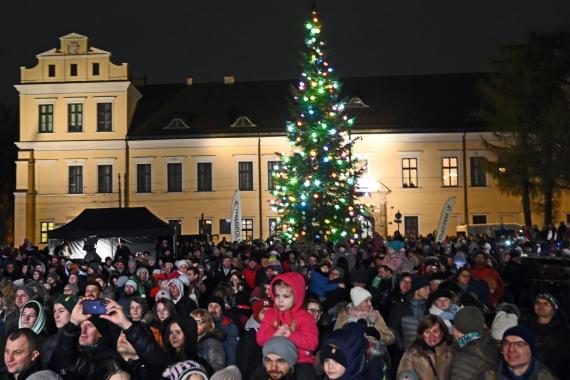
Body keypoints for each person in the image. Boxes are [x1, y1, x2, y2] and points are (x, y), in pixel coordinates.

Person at [256, 272, 318, 378]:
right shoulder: (270, 314)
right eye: (277, 296)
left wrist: (290, 335)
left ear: (297, 296)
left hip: (300, 361)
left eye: (286, 296)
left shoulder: (306, 318)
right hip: (274, 361)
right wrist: (275, 334)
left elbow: (312, 343)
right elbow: (260, 339)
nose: (280, 300)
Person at [50, 298, 124, 380]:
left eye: (89, 326)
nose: (83, 330)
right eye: (81, 325)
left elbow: (69, 363)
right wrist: (74, 321)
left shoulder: (108, 361)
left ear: (100, 334)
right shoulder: (68, 347)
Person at [100, 298, 171, 380]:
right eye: (122, 333)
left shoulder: (150, 373)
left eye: (138, 307)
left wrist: (126, 324)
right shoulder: (106, 364)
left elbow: (156, 359)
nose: (123, 336)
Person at [480, 325, 557, 380]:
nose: (511, 349)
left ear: (531, 350)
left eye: (519, 344)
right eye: (506, 343)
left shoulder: (545, 377)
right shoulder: (488, 375)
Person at [521, 293, 570, 379]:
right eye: (538, 303)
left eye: (546, 304)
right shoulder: (525, 326)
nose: (540, 306)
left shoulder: (563, 331)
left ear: (553, 308)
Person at [448, 306, 499, 380]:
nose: (452, 332)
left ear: (459, 330)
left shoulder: (463, 359)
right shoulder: (491, 346)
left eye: (454, 327)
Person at [397, 315, 453, 380]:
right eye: (427, 332)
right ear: (421, 335)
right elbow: (403, 374)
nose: (431, 336)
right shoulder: (412, 354)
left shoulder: (452, 349)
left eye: (435, 332)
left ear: (442, 332)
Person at [389, 276, 431, 351]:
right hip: (405, 353)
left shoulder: (428, 308)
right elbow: (393, 329)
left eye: (429, 288)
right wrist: (402, 347)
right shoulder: (401, 307)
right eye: (425, 288)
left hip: (425, 352)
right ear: (417, 290)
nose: (428, 291)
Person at [236, 298, 273, 380]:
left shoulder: (278, 332)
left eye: (270, 311)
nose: (267, 314)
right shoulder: (250, 336)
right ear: (257, 316)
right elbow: (244, 365)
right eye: (263, 312)